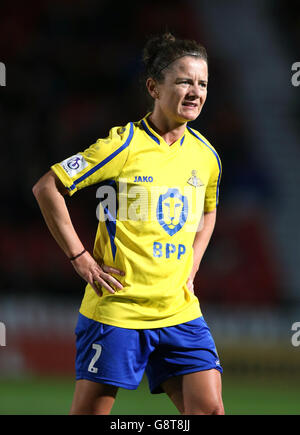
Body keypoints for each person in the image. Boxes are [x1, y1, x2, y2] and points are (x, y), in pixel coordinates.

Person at [32, 32, 224, 415]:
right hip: (117, 310)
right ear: (154, 87)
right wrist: (80, 258)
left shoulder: (206, 156)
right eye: (184, 80)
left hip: (179, 311)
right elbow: (47, 187)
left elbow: (208, 211)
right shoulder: (123, 145)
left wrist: (195, 261)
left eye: (202, 83)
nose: (195, 92)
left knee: (210, 411)